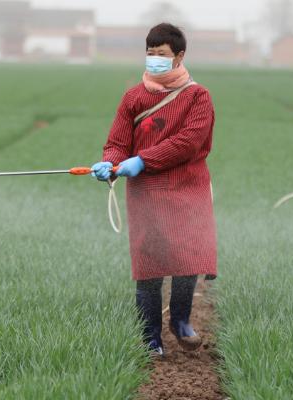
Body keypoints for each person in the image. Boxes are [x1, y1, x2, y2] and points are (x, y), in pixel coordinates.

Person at [91, 23, 217, 356]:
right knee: (149, 265)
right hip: (146, 193)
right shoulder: (134, 96)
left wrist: (143, 159)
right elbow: (118, 141)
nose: (154, 60)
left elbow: (188, 142)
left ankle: (180, 322)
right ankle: (150, 338)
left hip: (187, 189)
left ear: (179, 56)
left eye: (161, 55)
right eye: (150, 54)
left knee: (187, 259)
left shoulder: (198, 97)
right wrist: (111, 163)